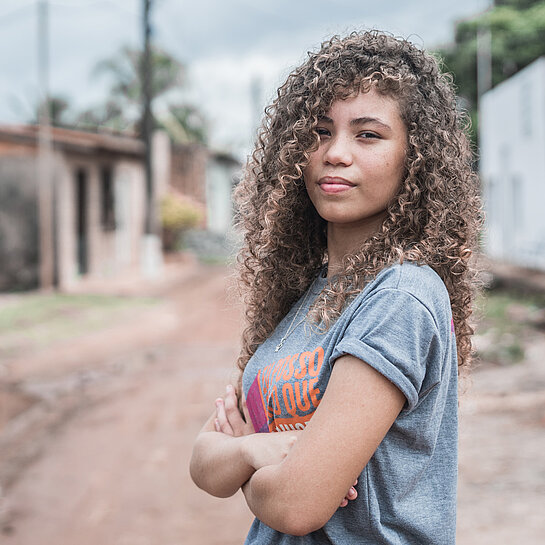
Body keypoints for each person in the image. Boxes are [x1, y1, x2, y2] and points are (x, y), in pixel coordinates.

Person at [190, 30, 481, 544]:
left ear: (415, 157)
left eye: (367, 134)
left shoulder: (400, 298)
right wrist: (257, 452)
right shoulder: (307, 299)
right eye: (320, 132)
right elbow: (203, 461)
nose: (334, 153)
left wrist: (253, 464)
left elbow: (297, 505)